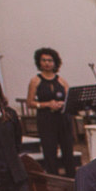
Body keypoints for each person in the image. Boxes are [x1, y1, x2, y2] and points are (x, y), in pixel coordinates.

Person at [26, 47, 76, 176]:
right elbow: (29, 102)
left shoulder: (61, 80)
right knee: (49, 150)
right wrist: (47, 104)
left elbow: (70, 99)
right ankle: (53, 179)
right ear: (39, 62)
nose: (47, 63)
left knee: (67, 150)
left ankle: (71, 178)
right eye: (44, 60)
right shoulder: (35, 81)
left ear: (55, 62)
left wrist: (62, 104)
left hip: (62, 118)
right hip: (46, 119)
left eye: (50, 60)